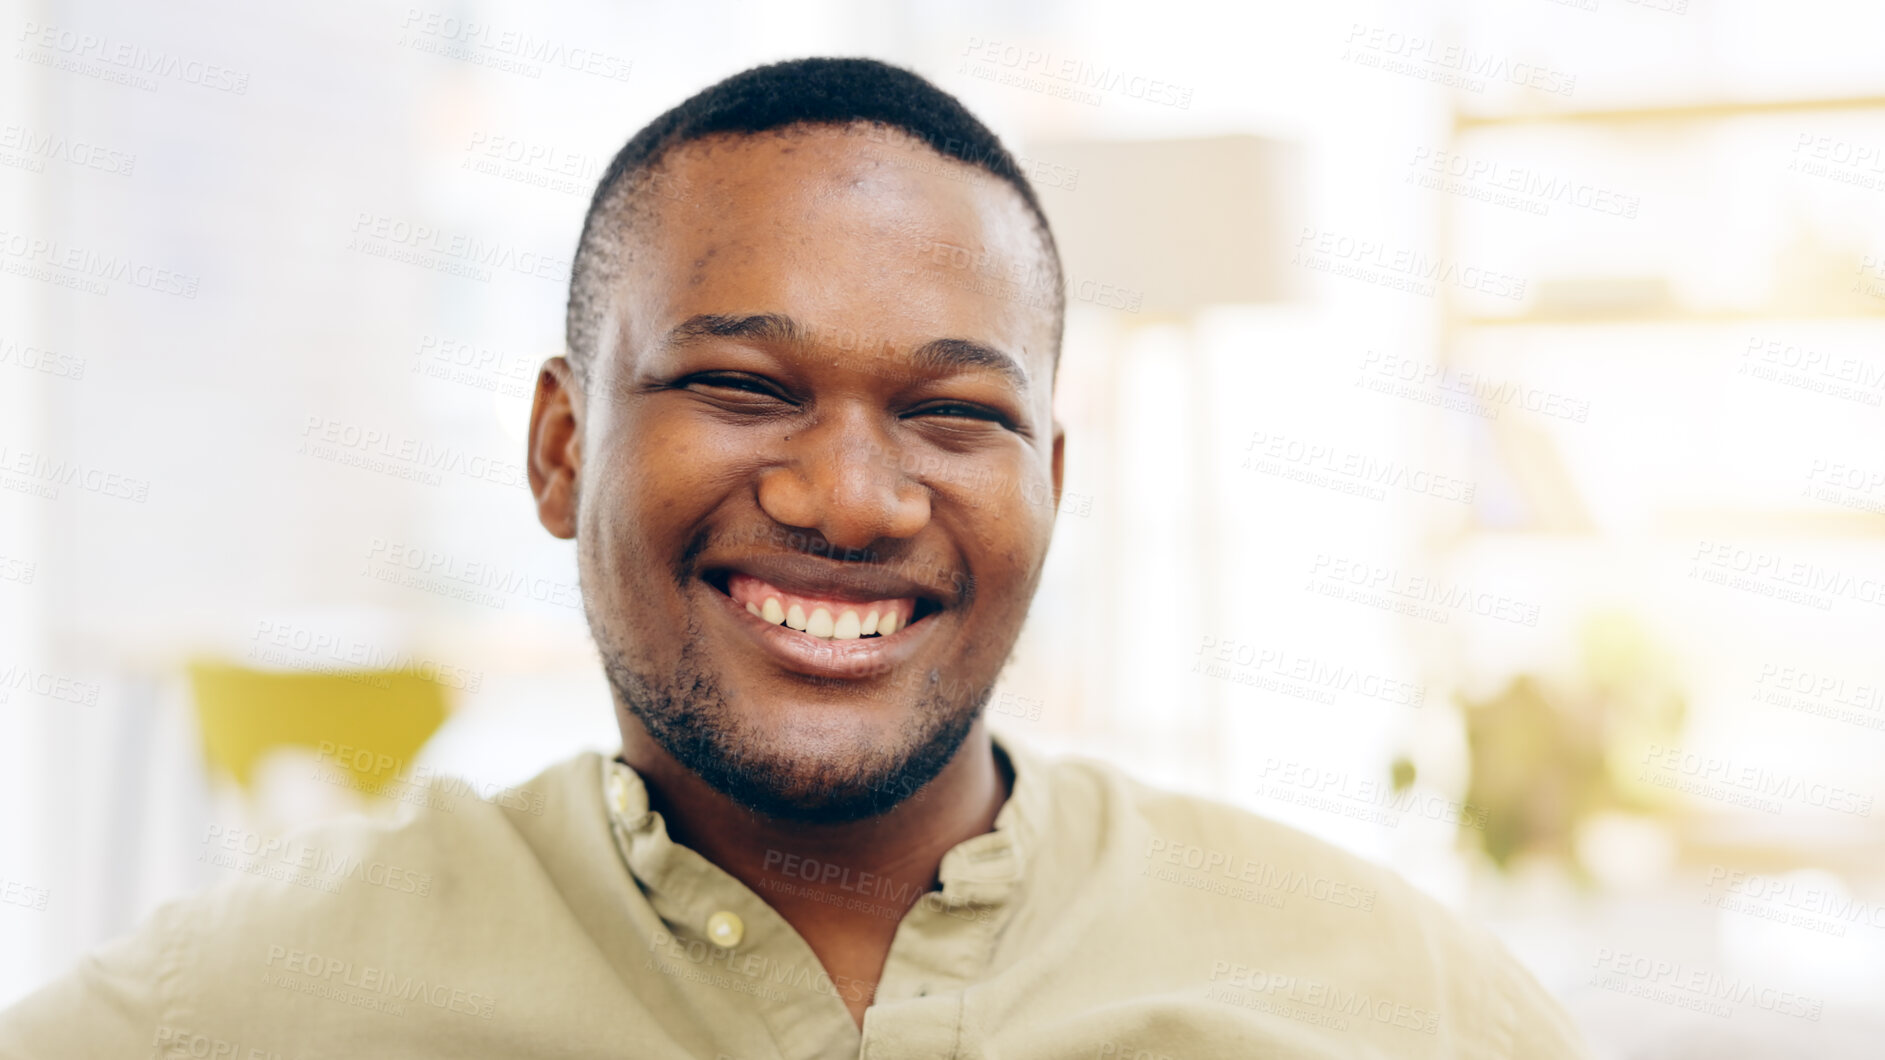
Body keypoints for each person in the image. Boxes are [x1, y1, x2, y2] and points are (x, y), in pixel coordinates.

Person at [0, 57, 1590, 1058]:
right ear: (563, 451)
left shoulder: (1389, 1000)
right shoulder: (255, 1006)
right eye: (741, 387)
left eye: (952, 413)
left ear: (1049, 483)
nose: (849, 498)